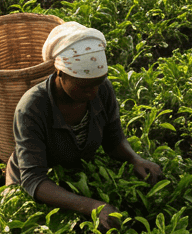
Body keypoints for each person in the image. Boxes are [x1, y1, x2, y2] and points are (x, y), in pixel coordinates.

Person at [9, 21, 162, 226]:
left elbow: (113, 138)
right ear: (60, 73)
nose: (94, 93)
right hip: (36, 186)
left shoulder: (101, 89)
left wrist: (135, 159)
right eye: (84, 86)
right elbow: (33, 179)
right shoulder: (31, 108)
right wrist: (92, 206)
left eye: (99, 83)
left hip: (74, 172)